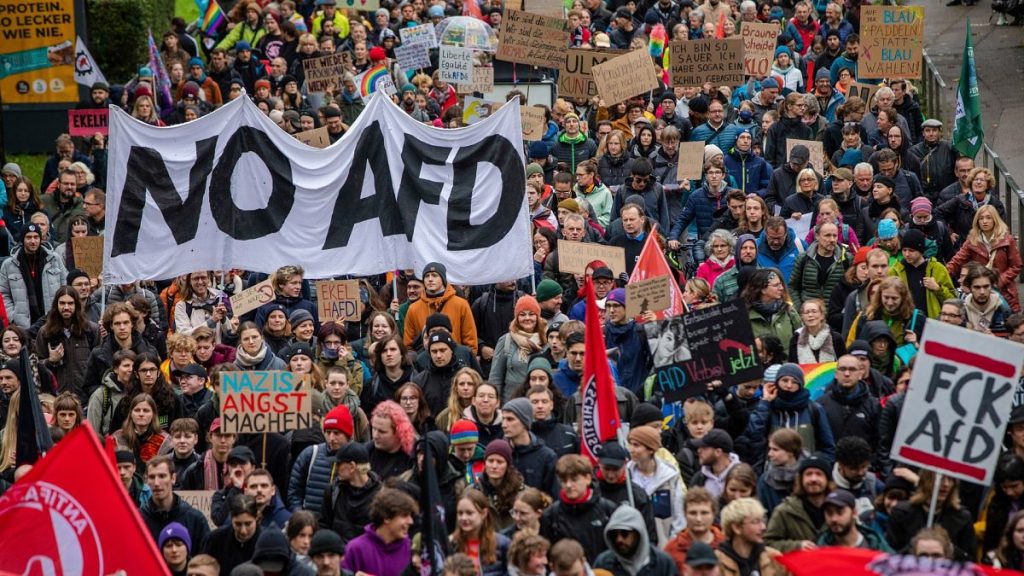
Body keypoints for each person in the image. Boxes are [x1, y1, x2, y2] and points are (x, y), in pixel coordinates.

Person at [747, 363, 836, 467]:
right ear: (776, 383)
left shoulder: (814, 409)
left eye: (794, 382)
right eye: (784, 380)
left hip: (804, 476)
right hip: (772, 475)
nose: (789, 385)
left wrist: (818, 469)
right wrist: (765, 402)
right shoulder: (767, 407)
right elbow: (753, 436)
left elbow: (828, 447)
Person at [541, 454, 618, 563]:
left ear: (587, 478)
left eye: (574, 479)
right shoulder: (550, 515)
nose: (568, 485)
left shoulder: (608, 510)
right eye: (563, 480)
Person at [947, 204, 1022, 312]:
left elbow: (1016, 265)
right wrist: (942, 273)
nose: (984, 221)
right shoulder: (972, 241)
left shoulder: (1007, 240)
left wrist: (999, 281)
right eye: (981, 218)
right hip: (980, 290)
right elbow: (957, 261)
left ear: (995, 219)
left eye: (988, 218)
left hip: (1004, 291)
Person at [887, 470, 976, 561]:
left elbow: (970, 560)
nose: (946, 484)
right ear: (925, 480)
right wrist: (916, 546)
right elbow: (889, 552)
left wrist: (949, 548)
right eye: (941, 478)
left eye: (950, 479)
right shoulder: (901, 512)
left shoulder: (962, 517)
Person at [627, 424, 686, 547]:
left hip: (664, 546)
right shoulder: (626, 476)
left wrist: (673, 545)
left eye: (636, 445)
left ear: (651, 449)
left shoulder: (669, 477)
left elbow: (679, 516)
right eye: (630, 444)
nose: (631, 449)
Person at [0, 223, 67, 329]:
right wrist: (13, 316)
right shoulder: (9, 264)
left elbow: (65, 286)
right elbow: (3, 294)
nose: (33, 241)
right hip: (23, 325)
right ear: (23, 239)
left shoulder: (54, 259)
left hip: (52, 321)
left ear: (40, 238)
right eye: (29, 237)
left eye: (36, 237)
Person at [288, 404, 352, 513]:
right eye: (328, 432)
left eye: (336, 433)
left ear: (347, 434)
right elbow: (294, 492)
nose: (331, 438)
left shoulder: (357, 459)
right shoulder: (310, 454)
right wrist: (300, 515)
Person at [403, 263, 477, 354]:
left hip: (455, 362)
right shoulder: (413, 309)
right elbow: (408, 345)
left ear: (443, 279)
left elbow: (470, 342)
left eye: (434, 275)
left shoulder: (461, 304)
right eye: (427, 276)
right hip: (425, 363)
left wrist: (464, 361)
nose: (430, 279)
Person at [341, 488, 417, 576]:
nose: (411, 521)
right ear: (386, 517)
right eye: (404, 515)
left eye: (411, 516)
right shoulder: (355, 549)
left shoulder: (412, 550)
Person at [764, 457, 832, 552]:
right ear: (800, 479)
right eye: (808, 474)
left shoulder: (838, 510)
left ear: (828, 479)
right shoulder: (785, 511)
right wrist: (796, 546)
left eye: (819, 474)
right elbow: (767, 543)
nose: (813, 479)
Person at [141, 455, 211, 547]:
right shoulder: (138, 520)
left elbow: (206, 559)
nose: (156, 483)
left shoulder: (195, 520)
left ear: (173, 478)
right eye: (152, 477)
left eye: (162, 476)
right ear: (146, 481)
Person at [319, 441, 382, 542]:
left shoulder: (381, 496)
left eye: (339, 464)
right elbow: (323, 526)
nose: (336, 468)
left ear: (352, 466)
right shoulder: (333, 491)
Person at [890, 228, 957, 319]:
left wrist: (938, 288)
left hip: (931, 324)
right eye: (904, 250)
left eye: (911, 250)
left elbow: (953, 301)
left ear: (921, 250)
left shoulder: (937, 269)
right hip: (905, 323)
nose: (907, 254)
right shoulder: (895, 271)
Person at [594, 506, 679, 576]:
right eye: (614, 535)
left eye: (625, 533)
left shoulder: (662, 563)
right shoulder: (603, 563)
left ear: (638, 533)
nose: (619, 539)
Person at [502, 398, 558, 496]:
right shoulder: (499, 453)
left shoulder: (546, 457)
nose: (504, 425)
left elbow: (554, 497)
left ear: (525, 421)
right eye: (503, 419)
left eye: (510, 419)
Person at [450, 489, 511, 575]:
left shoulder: (502, 544)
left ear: (483, 513)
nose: (463, 518)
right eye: (460, 513)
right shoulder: (452, 544)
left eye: (469, 513)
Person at [715, 498, 781, 575]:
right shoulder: (716, 561)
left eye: (763, 521)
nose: (763, 527)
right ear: (737, 528)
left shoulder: (774, 558)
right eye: (755, 522)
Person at [744, 269, 802, 354]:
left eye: (781, 284)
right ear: (763, 289)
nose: (781, 288)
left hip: (788, 364)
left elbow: (801, 339)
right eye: (776, 285)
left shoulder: (789, 310)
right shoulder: (746, 316)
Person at [817, 489, 893, 551]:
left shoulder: (875, 544)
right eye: (829, 513)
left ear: (854, 512)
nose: (834, 519)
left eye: (840, 512)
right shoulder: (821, 548)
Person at [757, 429, 802, 515]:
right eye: (770, 449)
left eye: (775, 450)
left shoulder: (807, 476)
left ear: (790, 452)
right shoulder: (765, 480)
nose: (770, 454)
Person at [367, 400, 415, 479]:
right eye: (374, 429)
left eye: (382, 432)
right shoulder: (366, 452)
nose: (375, 436)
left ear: (399, 432)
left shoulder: (411, 458)